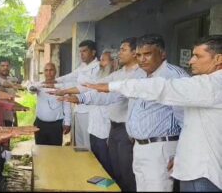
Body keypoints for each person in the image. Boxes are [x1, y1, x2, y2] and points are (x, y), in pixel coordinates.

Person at [83, 35, 222, 192]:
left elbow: (162, 88)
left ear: (218, 59)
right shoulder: (204, 85)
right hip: (189, 166)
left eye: (198, 56)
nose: (191, 61)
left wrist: (113, 86)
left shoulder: (214, 84)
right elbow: (190, 128)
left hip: (202, 171)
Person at [62, 34, 189, 191]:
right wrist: (80, 98)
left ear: (162, 54)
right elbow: (114, 94)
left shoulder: (174, 76)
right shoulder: (140, 75)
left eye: (147, 54)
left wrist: (181, 153)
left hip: (161, 147)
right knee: (136, 185)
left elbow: (187, 119)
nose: (142, 59)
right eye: (139, 55)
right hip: (139, 145)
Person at [52, 37, 139, 191]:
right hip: (113, 127)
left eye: (123, 50)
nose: (119, 53)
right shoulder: (118, 74)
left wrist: (81, 96)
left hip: (127, 129)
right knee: (111, 169)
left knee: (126, 172)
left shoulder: (138, 75)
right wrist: (77, 96)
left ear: (134, 52)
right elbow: (97, 87)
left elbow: (110, 94)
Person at [46, 40, 100, 150]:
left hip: (89, 110)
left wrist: (64, 91)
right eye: (80, 51)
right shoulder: (83, 66)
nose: (82, 54)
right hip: (78, 109)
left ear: (93, 52)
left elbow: (87, 87)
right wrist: (54, 81)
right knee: (79, 143)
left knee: (87, 144)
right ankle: (81, 165)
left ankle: (88, 166)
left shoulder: (98, 67)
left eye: (84, 51)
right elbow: (70, 76)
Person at [29, 63, 71, 146]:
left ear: (55, 71)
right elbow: (30, 90)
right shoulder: (39, 85)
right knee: (40, 151)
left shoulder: (62, 86)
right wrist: (32, 88)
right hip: (40, 124)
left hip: (56, 125)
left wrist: (68, 122)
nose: (49, 73)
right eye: (46, 70)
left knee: (55, 152)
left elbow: (67, 104)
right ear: (43, 72)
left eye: (51, 70)